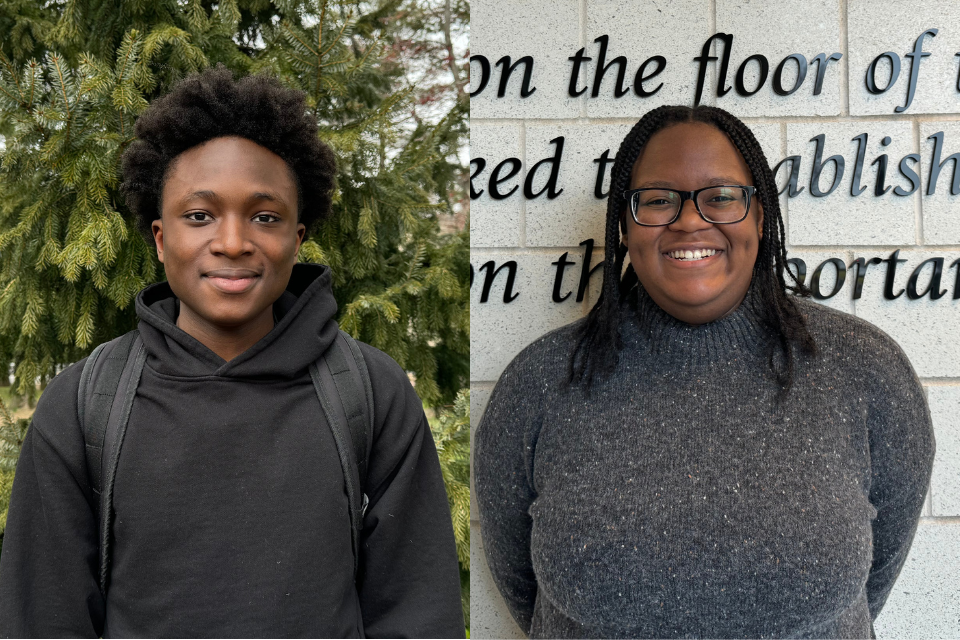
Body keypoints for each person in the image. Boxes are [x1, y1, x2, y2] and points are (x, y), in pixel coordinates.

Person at [0, 65, 464, 638]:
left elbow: (417, 613)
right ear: (161, 238)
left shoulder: (370, 393)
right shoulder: (82, 405)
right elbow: (43, 621)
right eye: (199, 216)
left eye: (264, 217)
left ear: (296, 240)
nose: (232, 242)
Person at [474, 105, 935, 639]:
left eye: (721, 197)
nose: (690, 220)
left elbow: (877, 570)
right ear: (624, 226)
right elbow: (519, 579)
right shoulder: (541, 380)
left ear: (761, 217)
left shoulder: (865, 370)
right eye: (658, 200)